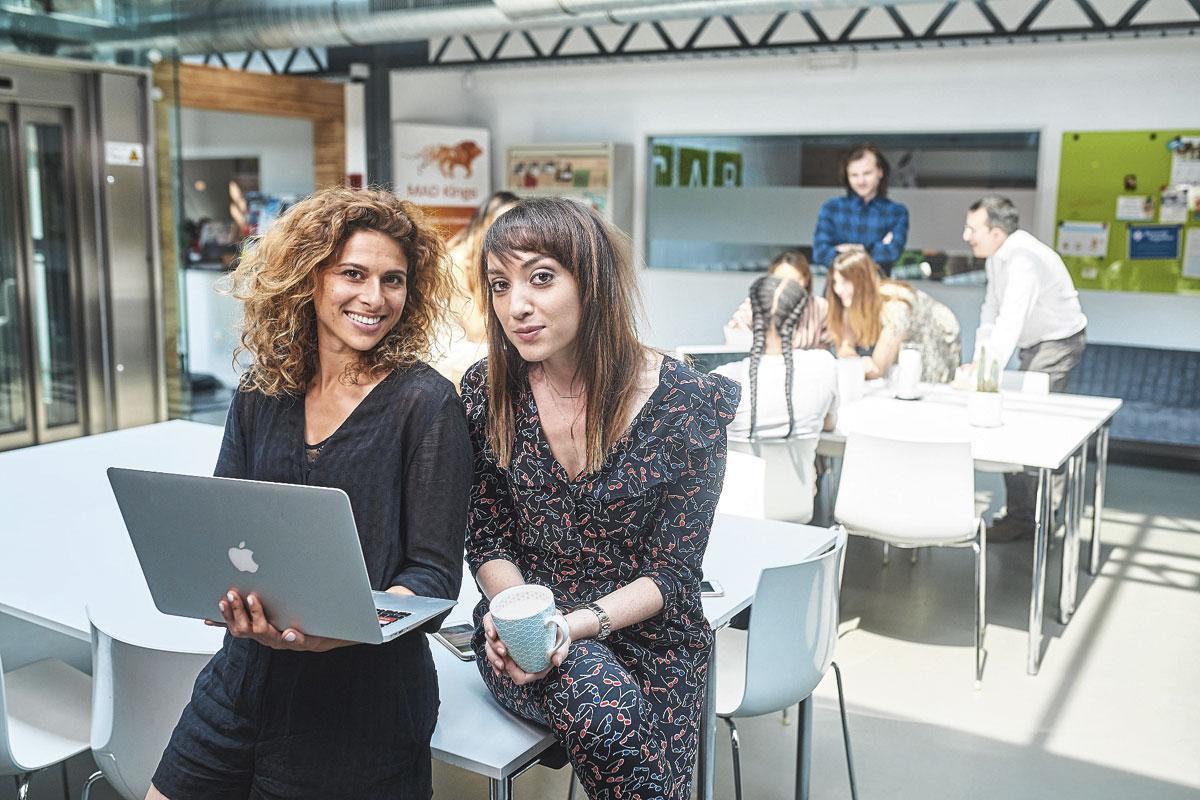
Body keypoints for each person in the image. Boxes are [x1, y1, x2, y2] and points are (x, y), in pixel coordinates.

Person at [148, 187, 472, 800]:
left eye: (393, 280)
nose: (375, 299)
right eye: (353, 273)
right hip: (243, 677)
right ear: (308, 277)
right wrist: (221, 595)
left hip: (361, 706)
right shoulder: (261, 390)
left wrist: (347, 629)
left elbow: (432, 578)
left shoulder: (425, 404)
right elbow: (223, 526)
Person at [461, 197, 739, 800]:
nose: (517, 306)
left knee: (630, 745)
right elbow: (487, 535)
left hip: (649, 638)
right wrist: (529, 626)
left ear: (592, 280)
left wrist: (577, 625)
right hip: (529, 635)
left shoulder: (687, 404)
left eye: (540, 278)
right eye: (500, 285)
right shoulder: (490, 389)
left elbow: (672, 573)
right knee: (594, 695)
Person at [963, 195, 1088, 542]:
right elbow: (991, 311)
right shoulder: (997, 258)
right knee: (1016, 422)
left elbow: (1010, 322)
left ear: (997, 232)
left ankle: (1041, 518)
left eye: (973, 229)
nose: (966, 236)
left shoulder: (1022, 260)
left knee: (1031, 427)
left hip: (1058, 342)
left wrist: (985, 377)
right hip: (1034, 345)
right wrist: (979, 363)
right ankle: (1024, 516)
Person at [714, 275, 838, 440]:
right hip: (797, 466)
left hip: (740, 466)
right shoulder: (824, 364)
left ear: (753, 317)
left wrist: (736, 333)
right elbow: (828, 423)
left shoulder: (723, 379)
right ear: (800, 319)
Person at [827, 250, 961, 383]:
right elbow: (845, 347)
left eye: (845, 282)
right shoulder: (849, 301)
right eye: (835, 282)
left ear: (862, 280)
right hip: (908, 342)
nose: (838, 289)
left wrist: (859, 365)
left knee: (920, 387)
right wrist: (857, 363)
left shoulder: (895, 305)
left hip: (936, 335)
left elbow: (878, 369)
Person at [431, 190, 520, 388]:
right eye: (501, 224)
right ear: (484, 224)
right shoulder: (454, 261)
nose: (508, 234)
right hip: (446, 360)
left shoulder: (494, 260)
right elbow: (477, 331)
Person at [812, 142, 909, 276]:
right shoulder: (832, 208)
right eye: (854, 175)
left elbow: (892, 252)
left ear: (880, 172)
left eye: (867, 173)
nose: (861, 181)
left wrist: (846, 251)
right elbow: (820, 254)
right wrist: (872, 249)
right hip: (839, 291)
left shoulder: (896, 212)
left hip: (877, 291)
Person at [725, 249, 829, 350]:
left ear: (806, 279)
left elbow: (834, 343)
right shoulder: (756, 303)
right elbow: (735, 333)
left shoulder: (820, 306)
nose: (786, 286)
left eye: (793, 281)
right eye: (779, 280)